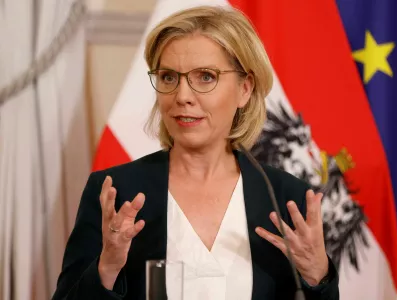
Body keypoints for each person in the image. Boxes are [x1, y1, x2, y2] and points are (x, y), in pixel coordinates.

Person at [52, 5, 339, 300]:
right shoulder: (115, 192)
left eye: (205, 76)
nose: (183, 96)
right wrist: (106, 269)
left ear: (245, 88)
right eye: (168, 77)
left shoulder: (286, 199)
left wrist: (317, 276)